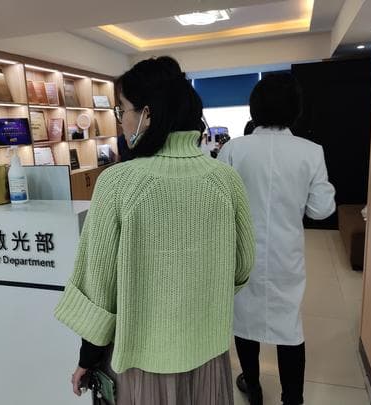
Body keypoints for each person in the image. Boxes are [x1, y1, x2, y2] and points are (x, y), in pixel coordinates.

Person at [54, 56, 255, 405]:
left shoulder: (118, 183)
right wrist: (198, 293)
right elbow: (242, 266)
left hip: (141, 361)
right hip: (208, 354)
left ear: (146, 114)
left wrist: (87, 359)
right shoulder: (226, 179)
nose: (121, 121)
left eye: (122, 110)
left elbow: (98, 290)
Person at [218, 73, 336, 405]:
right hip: (286, 256)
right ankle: (292, 399)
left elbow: (219, 204)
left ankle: (253, 387)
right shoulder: (311, 152)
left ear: (254, 108)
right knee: (289, 327)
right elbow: (321, 210)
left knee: (244, 322)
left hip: (242, 255)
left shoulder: (232, 150)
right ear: (295, 110)